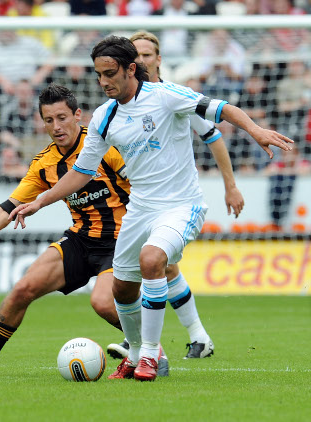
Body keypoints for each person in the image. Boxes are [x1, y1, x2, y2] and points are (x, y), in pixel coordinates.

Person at [7, 36, 293, 381]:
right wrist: (41, 200)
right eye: (99, 74)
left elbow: (222, 110)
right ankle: (134, 354)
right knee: (122, 288)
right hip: (140, 210)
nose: (103, 81)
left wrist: (255, 130)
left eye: (110, 73)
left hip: (181, 205)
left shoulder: (167, 96)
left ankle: (149, 357)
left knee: (153, 259)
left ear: (131, 69)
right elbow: (81, 172)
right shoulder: (104, 117)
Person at [0, 84, 169, 377]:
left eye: (62, 118)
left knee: (102, 302)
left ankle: (151, 351)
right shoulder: (44, 164)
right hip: (82, 239)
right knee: (23, 289)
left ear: (78, 115)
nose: (56, 126)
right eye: (49, 120)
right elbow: (6, 209)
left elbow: (146, 185)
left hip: (123, 240)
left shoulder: (106, 146)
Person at [105, 30, 245, 361]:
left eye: (147, 54)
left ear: (158, 59)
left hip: (175, 201)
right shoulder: (119, 105)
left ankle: (147, 347)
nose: (141, 60)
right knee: (161, 267)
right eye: (135, 55)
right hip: (140, 200)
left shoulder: (174, 97)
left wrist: (230, 185)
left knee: (157, 264)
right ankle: (192, 339)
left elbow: (213, 136)